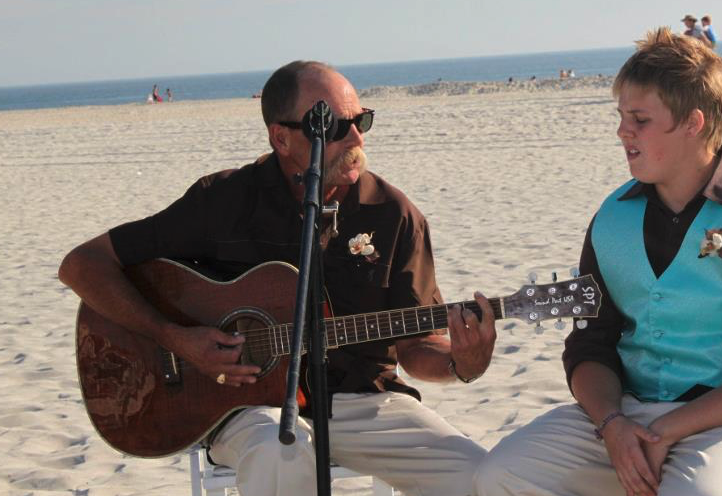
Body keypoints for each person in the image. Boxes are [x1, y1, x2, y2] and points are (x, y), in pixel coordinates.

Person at [58, 61, 496, 496]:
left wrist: (462, 364)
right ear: (281, 137)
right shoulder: (223, 200)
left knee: (478, 476)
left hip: (364, 400)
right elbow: (82, 265)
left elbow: (417, 346)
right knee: (281, 453)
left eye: (362, 121)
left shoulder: (393, 214)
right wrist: (172, 337)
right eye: (335, 126)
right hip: (246, 406)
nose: (357, 138)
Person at [475, 28, 722, 496]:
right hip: (629, 412)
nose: (623, 131)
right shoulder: (612, 217)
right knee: (498, 476)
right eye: (622, 117)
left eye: (639, 119)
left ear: (693, 123)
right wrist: (613, 424)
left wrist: (669, 430)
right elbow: (590, 346)